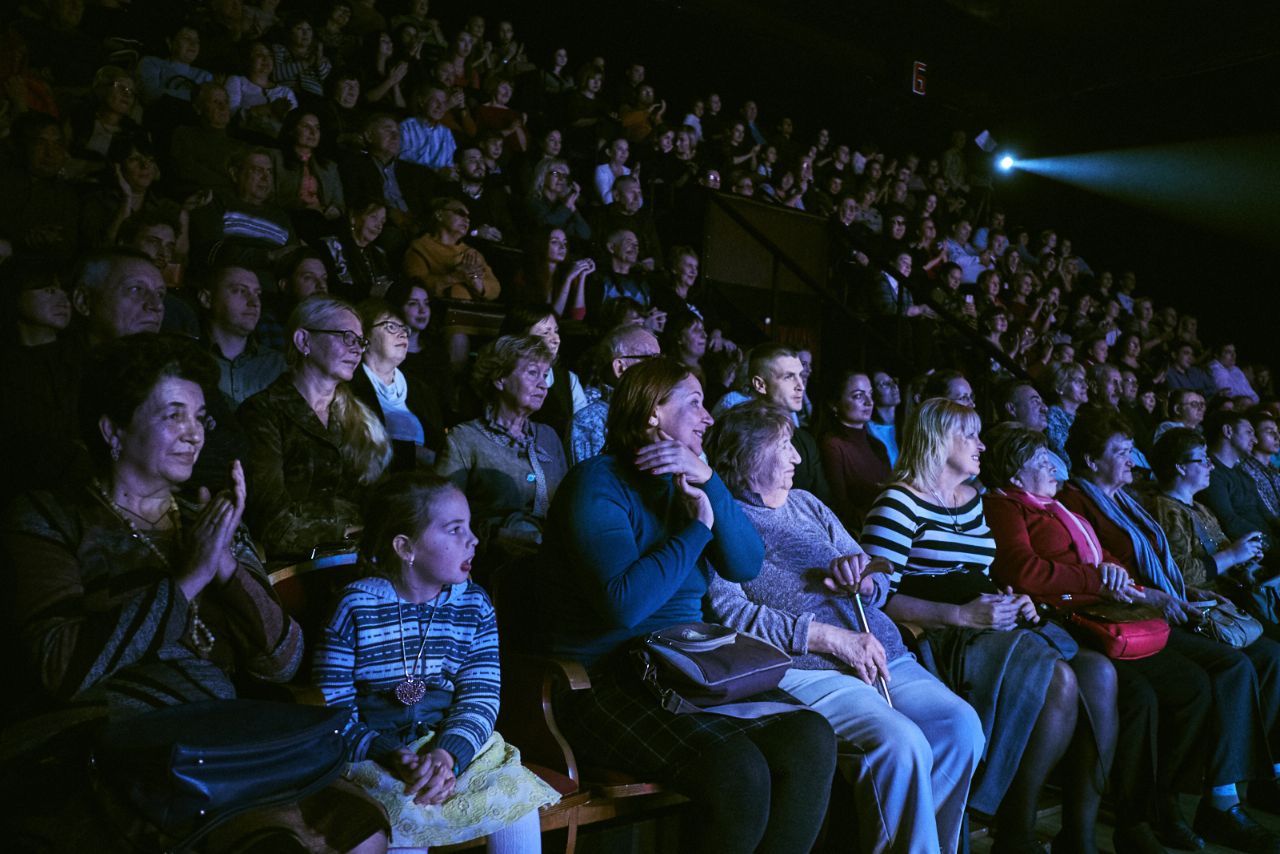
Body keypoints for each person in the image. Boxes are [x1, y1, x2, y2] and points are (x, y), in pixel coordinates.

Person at [1, 333, 388, 852]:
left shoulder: (212, 520)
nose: (193, 435)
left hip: (220, 738)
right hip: (114, 745)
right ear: (113, 430)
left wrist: (226, 568)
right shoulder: (50, 518)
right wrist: (188, 579)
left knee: (361, 825)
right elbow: (60, 664)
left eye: (200, 417)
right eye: (172, 416)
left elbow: (285, 660)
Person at [535, 357, 837, 853]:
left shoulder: (690, 484)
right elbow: (623, 607)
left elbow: (745, 564)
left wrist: (710, 484)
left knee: (810, 739)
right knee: (739, 771)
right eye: (694, 403)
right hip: (602, 680)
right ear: (653, 413)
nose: (709, 416)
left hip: (685, 668)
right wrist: (696, 527)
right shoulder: (595, 484)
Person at [706, 400, 985, 854]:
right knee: (902, 743)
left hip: (880, 651)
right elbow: (730, 613)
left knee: (960, 727)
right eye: (785, 445)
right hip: (810, 667)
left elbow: (878, 576)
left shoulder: (807, 504)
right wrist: (829, 638)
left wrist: (864, 572)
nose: (798, 457)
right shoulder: (725, 519)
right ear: (749, 454)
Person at [861, 398, 1105, 853]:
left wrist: (1015, 601)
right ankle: (1013, 824)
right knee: (1059, 679)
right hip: (938, 633)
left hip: (987, 623)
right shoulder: (897, 503)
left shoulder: (972, 499)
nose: (981, 444)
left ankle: (1074, 833)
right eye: (970, 435)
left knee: (1099, 673)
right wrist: (961, 615)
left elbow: (980, 573)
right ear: (939, 440)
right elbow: (874, 601)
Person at [983, 426, 1214, 852]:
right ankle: (1103, 828)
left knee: (1192, 686)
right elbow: (1023, 572)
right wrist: (1096, 580)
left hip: (1105, 612)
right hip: (1062, 614)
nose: (1054, 467)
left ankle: (1153, 810)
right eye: (1041, 462)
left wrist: (1122, 580)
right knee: (1137, 697)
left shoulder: (1059, 508)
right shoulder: (1005, 506)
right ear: (1016, 475)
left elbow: (1104, 561)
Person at [1058, 407, 1280, 851]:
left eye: (1128, 450)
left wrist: (1182, 591)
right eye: (1119, 452)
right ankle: (1206, 802)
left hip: (1161, 606)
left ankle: (1229, 790)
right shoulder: (1079, 504)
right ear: (1089, 459)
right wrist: (1163, 594)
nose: (1130, 459)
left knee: (1263, 658)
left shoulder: (1123, 501)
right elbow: (1108, 571)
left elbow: (1160, 570)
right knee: (1219, 674)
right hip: (1122, 618)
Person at [312, 471, 558, 851]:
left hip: (450, 745)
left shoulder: (473, 605)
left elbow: (480, 697)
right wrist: (390, 753)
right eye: (455, 529)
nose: (473, 540)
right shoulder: (356, 606)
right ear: (405, 547)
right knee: (401, 811)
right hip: (374, 753)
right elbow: (332, 709)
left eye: (470, 527)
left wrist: (446, 754)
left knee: (515, 802)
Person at [239, 295, 392, 562]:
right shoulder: (262, 413)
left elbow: (382, 502)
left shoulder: (363, 419)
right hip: (293, 568)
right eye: (346, 336)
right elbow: (269, 519)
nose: (357, 349)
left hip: (363, 560)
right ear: (303, 341)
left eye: (360, 341)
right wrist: (348, 532)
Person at [435, 335, 568, 573]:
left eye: (545, 375)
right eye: (532, 373)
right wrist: (495, 534)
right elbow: (441, 517)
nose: (543, 385)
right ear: (499, 379)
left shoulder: (549, 437)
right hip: (492, 564)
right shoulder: (464, 440)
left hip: (553, 561)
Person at [1146, 428, 1268, 592]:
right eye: (1203, 460)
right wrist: (1232, 555)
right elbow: (1179, 572)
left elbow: (1220, 555)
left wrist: (1245, 558)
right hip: (1206, 605)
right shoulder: (1166, 510)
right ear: (1181, 467)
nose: (1211, 467)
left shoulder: (1202, 508)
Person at [350, 299, 445, 471]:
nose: (402, 334)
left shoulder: (421, 389)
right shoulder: (349, 385)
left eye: (404, 329)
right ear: (365, 336)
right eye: (392, 327)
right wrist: (413, 454)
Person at [194, 263, 285, 408]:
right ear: (207, 299)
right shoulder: (189, 360)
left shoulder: (278, 365)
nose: (254, 302)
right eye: (240, 291)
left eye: (257, 294)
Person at [569, 323, 662, 465]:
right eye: (651, 359)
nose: (661, 369)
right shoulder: (588, 422)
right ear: (620, 368)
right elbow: (592, 483)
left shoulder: (662, 412)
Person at [499, 304, 587, 441]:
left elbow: (583, 431)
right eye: (545, 333)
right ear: (520, 338)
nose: (556, 339)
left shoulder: (568, 380)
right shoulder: (504, 374)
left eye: (556, 331)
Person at [819, 370, 892, 532]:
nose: (869, 402)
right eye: (858, 396)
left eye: (870, 394)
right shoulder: (833, 445)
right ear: (834, 404)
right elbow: (839, 506)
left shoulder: (877, 445)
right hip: (860, 534)